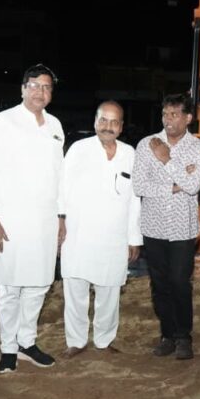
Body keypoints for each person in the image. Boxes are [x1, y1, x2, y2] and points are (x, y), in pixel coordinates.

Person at [0, 64, 65, 372]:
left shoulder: (55, 125)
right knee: (9, 287)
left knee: (39, 284)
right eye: (34, 85)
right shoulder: (3, 122)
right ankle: (8, 347)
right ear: (22, 88)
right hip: (10, 220)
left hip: (45, 220)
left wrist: (61, 216)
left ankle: (26, 342)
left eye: (46, 87)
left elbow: (59, 176)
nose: (39, 92)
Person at [60, 101, 142, 355]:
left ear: (121, 126)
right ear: (95, 122)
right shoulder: (78, 149)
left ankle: (104, 341)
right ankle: (76, 341)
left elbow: (134, 199)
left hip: (114, 236)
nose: (108, 126)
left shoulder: (129, 153)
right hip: (79, 233)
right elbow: (61, 188)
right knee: (76, 290)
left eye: (114, 121)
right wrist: (60, 222)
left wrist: (134, 238)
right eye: (103, 120)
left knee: (110, 292)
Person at [133, 93, 200, 360]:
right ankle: (167, 335)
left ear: (188, 118)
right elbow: (139, 186)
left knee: (180, 282)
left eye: (174, 114)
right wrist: (175, 184)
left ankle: (183, 336)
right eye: (165, 114)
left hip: (182, 229)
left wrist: (166, 159)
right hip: (153, 226)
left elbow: (193, 186)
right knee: (159, 284)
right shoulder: (146, 144)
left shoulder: (198, 148)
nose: (168, 119)